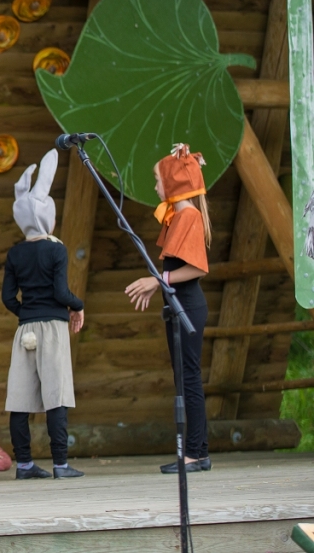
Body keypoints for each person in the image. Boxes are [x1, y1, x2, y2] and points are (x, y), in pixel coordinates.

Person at [125, 143, 212, 474]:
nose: (156, 186)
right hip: (180, 306)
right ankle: (198, 451)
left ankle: (195, 453)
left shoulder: (188, 215)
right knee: (185, 377)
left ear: (175, 183)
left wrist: (156, 280)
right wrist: (158, 283)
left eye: (159, 180)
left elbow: (197, 269)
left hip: (188, 305)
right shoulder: (179, 215)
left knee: (189, 378)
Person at [2, 149, 85, 480]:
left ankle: (23, 464)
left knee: (20, 398)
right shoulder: (55, 249)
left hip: (25, 331)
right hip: (52, 327)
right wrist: (77, 306)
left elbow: (8, 297)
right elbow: (62, 293)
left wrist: (26, 314)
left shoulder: (15, 253)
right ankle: (60, 464)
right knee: (56, 395)